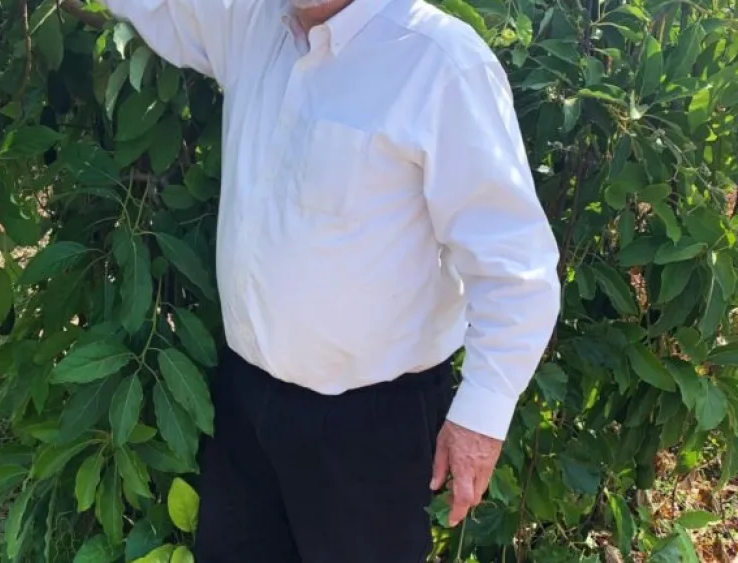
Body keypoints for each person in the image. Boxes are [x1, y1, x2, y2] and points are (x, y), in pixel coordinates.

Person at [99, 0, 562, 560]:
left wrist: (481, 416)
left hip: (371, 430)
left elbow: (515, 266)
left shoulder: (441, 65)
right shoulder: (251, 23)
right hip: (249, 400)